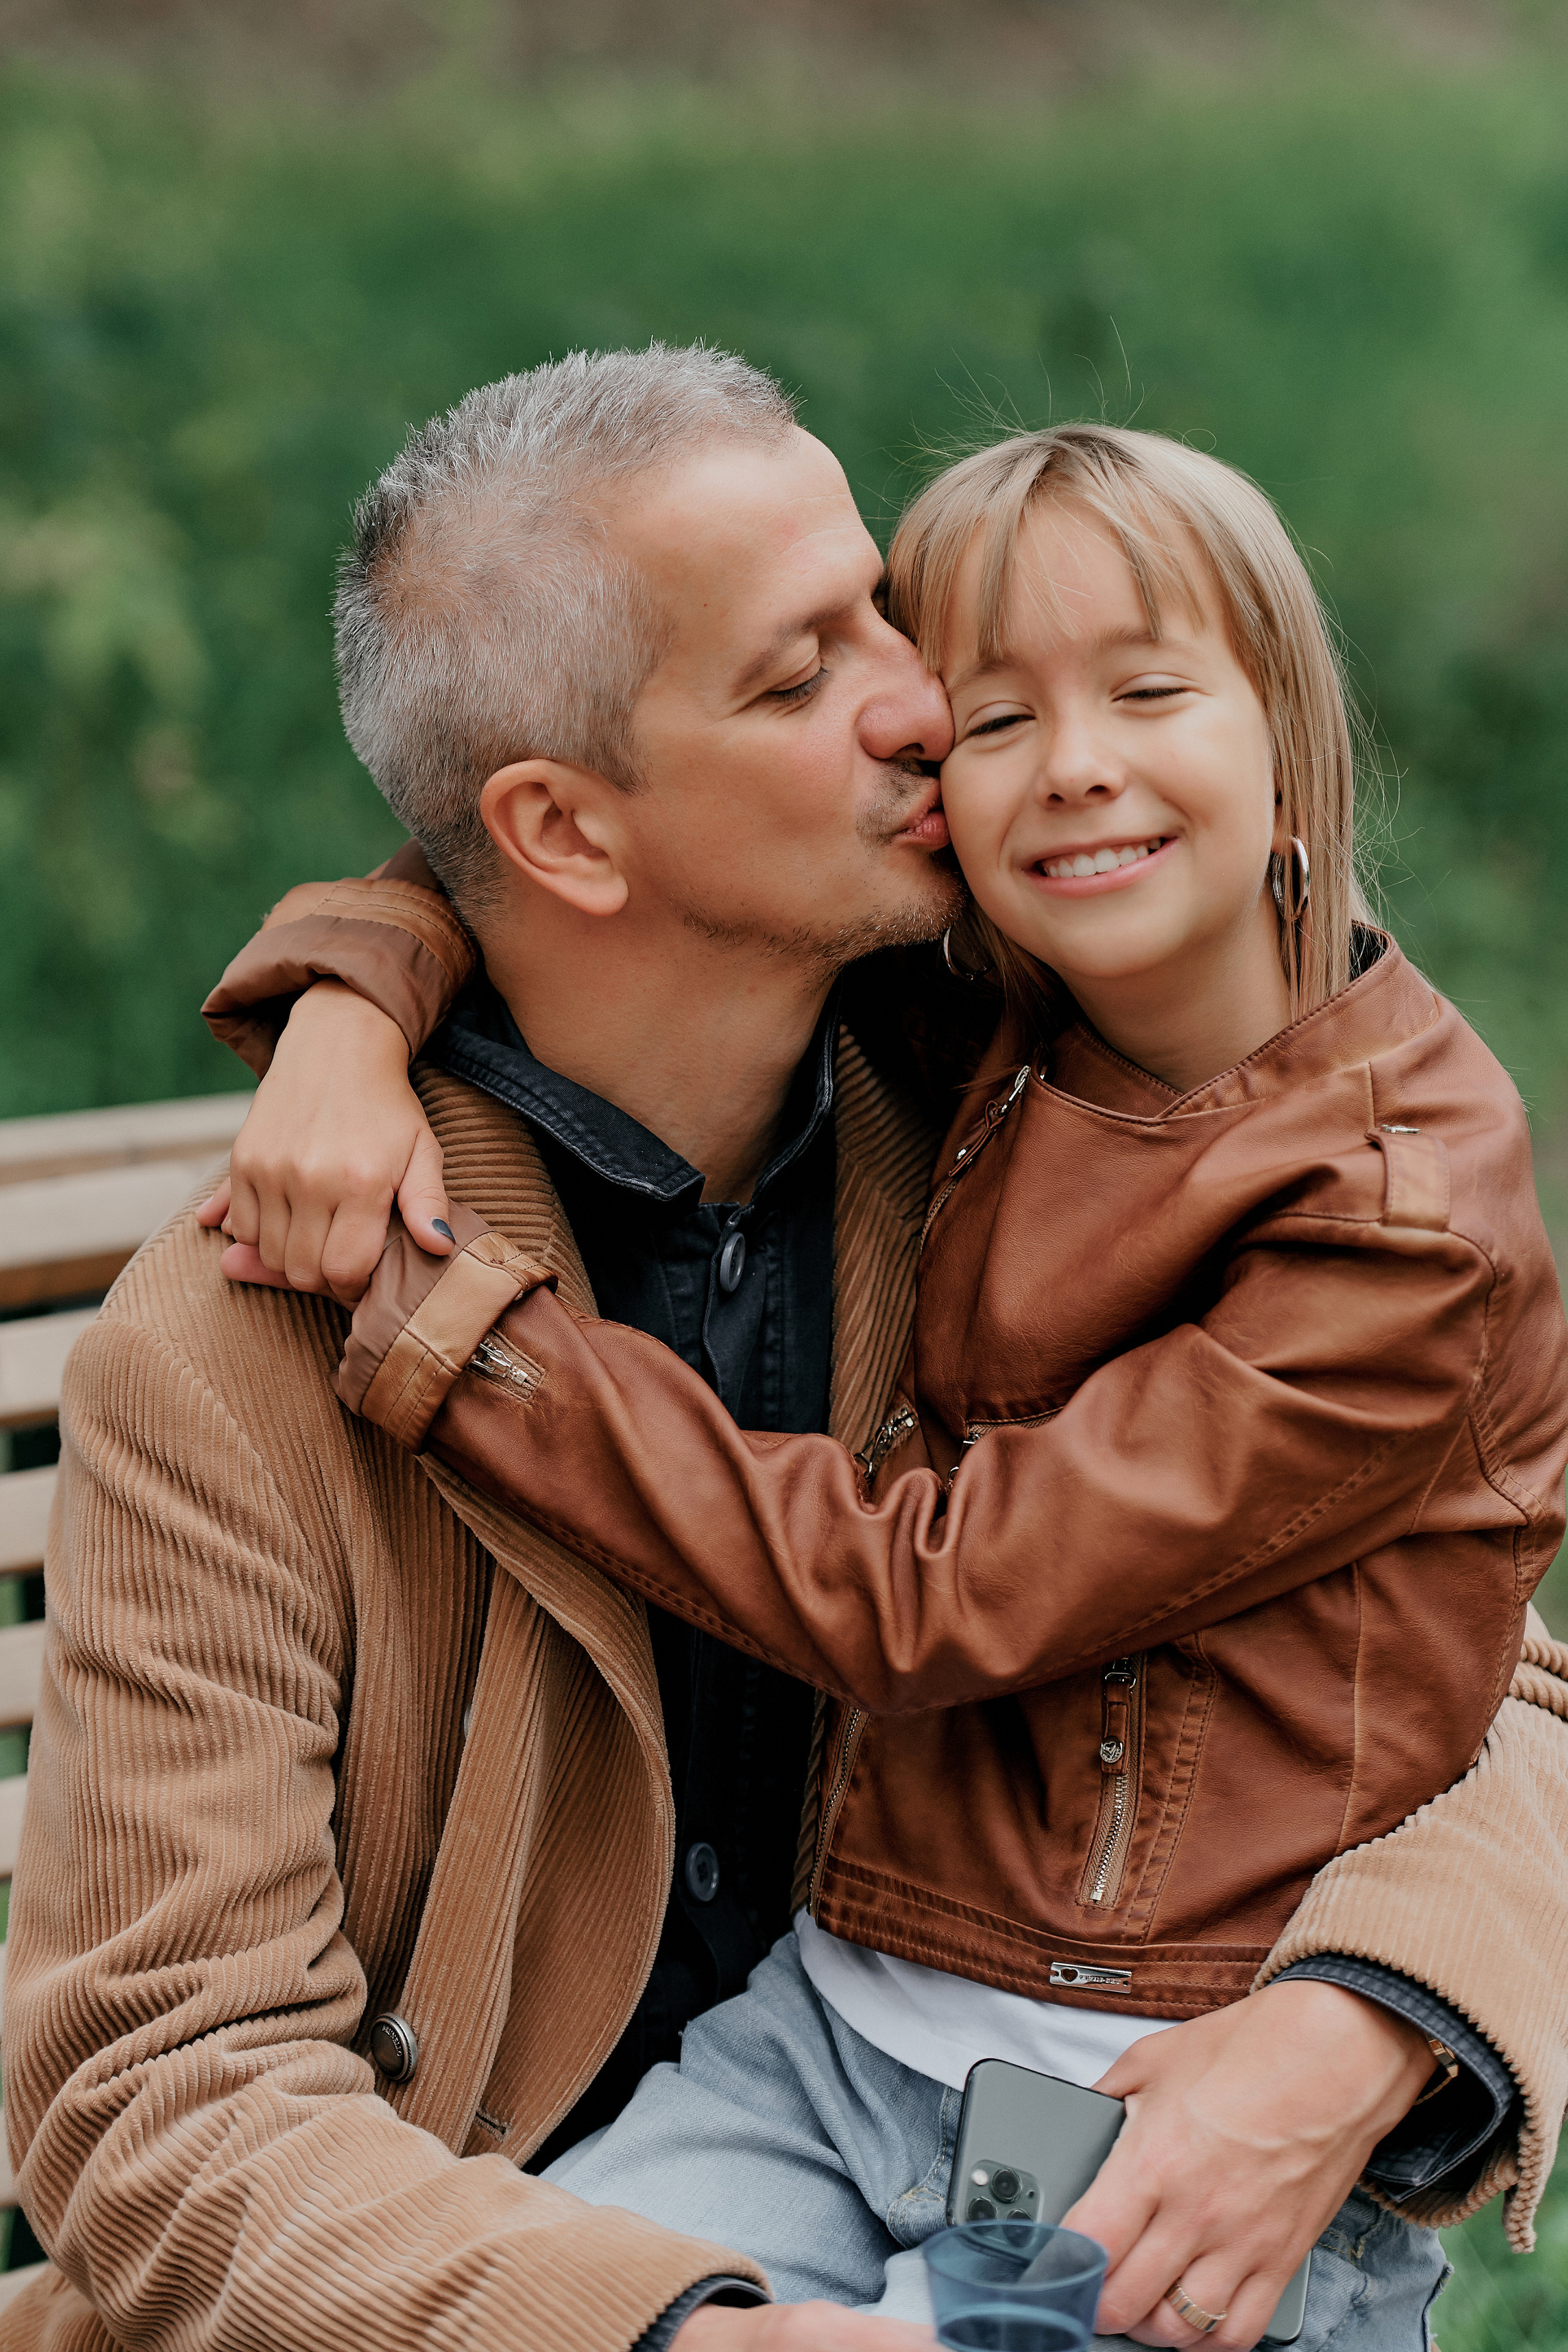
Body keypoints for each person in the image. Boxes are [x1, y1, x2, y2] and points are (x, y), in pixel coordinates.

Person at [9, 351, 1560, 2352]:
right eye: (803, 675)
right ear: (567, 832)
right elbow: (155, 2106)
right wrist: (679, 2336)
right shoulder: (253, 1344)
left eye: (881, 621)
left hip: (1050, 2121)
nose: (934, 708)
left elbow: (1468, 1644)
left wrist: (1363, 2022)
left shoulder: (1015, 1121)